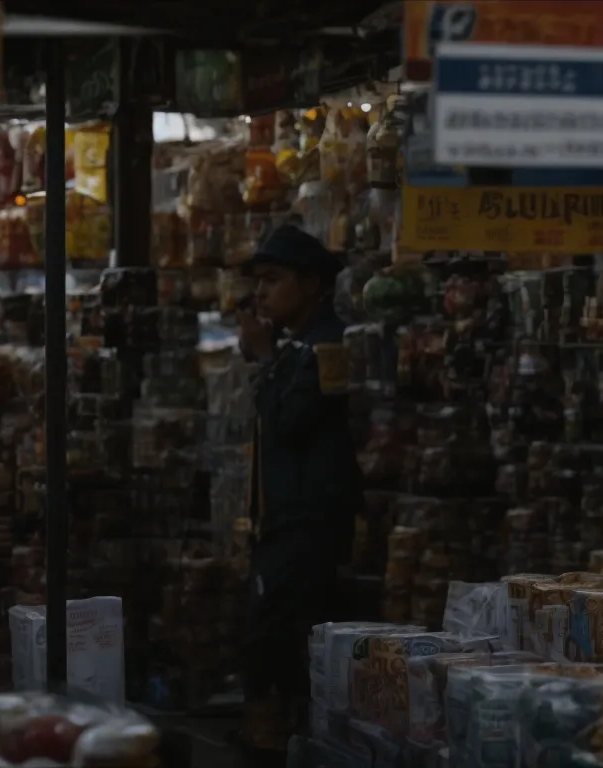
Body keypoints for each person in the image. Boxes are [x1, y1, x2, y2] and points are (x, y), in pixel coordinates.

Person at [233, 226, 360, 761]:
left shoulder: (326, 346)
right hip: (286, 520)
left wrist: (265, 360)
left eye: (274, 280)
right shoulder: (300, 347)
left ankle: (277, 741)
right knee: (272, 632)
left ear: (313, 284)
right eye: (257, 282)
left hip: (308, 523)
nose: (261, 293)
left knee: (279, 635)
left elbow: (291, 424)